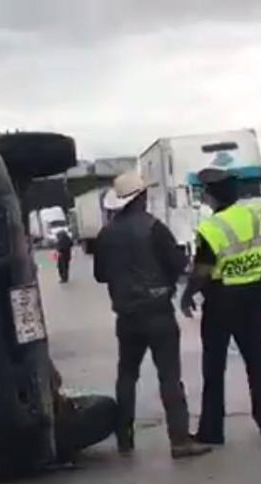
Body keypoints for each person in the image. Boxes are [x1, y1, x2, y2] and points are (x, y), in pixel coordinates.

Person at [94, 171, 213, 459]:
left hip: (126, 316)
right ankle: (179, 440)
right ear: (142, 197)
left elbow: (100, 275)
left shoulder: (106, 235)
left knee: (127, 375)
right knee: (169, 377)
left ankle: (124, 437)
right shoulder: (154, 228)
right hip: (158, 312)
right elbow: (177, 264)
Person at [180, 168, 261, 445]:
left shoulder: (212, 228)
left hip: (222, 301)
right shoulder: (254, 217)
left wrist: (187, 296)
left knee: (214, 367)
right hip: (252, 296)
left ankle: (212, 431)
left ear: (210, 196)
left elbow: (202, 270)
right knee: (257, 361)